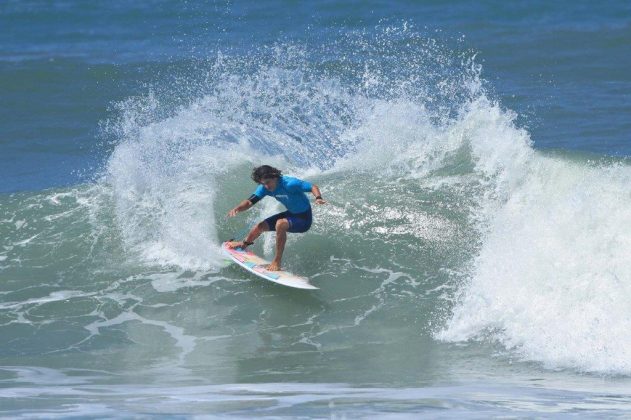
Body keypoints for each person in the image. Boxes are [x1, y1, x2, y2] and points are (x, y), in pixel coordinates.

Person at [227, 165, 326, 271]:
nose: (266, 186)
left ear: (275, 176)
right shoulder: (265, 188)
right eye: (263, 184)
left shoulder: (290, 183)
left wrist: (318, 198)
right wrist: (237, 208)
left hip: (304, 219)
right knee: (260, 226)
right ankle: (243, 245)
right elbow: (249, 202)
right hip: (291, 214)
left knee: (280, 223)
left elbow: (313, 187)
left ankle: (277, 262)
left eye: (268, 182)